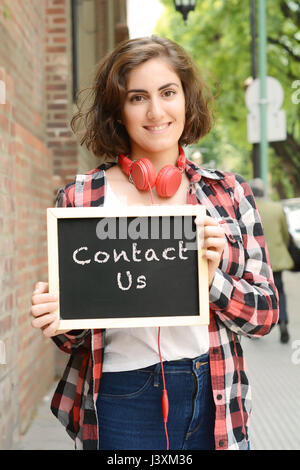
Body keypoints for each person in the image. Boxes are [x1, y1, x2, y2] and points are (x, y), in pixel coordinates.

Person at [30, 36, 278, 451]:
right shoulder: (81, 199)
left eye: (168, 93)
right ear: (118, 112)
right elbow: (74, 338)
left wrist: (210, 276)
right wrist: (59, 319)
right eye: (137, 97)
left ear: (186, 100)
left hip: (215, 390)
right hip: (121, 395)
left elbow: (266, 315)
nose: (156, 111)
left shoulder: (229, 194)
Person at [249, 178, 293, 343]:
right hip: (276, 259)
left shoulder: (249, 209)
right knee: (279, 291)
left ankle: (257, 326)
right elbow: (285, 234)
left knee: (257, 292)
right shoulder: (277, 208)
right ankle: (283, 321)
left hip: (255, 260)